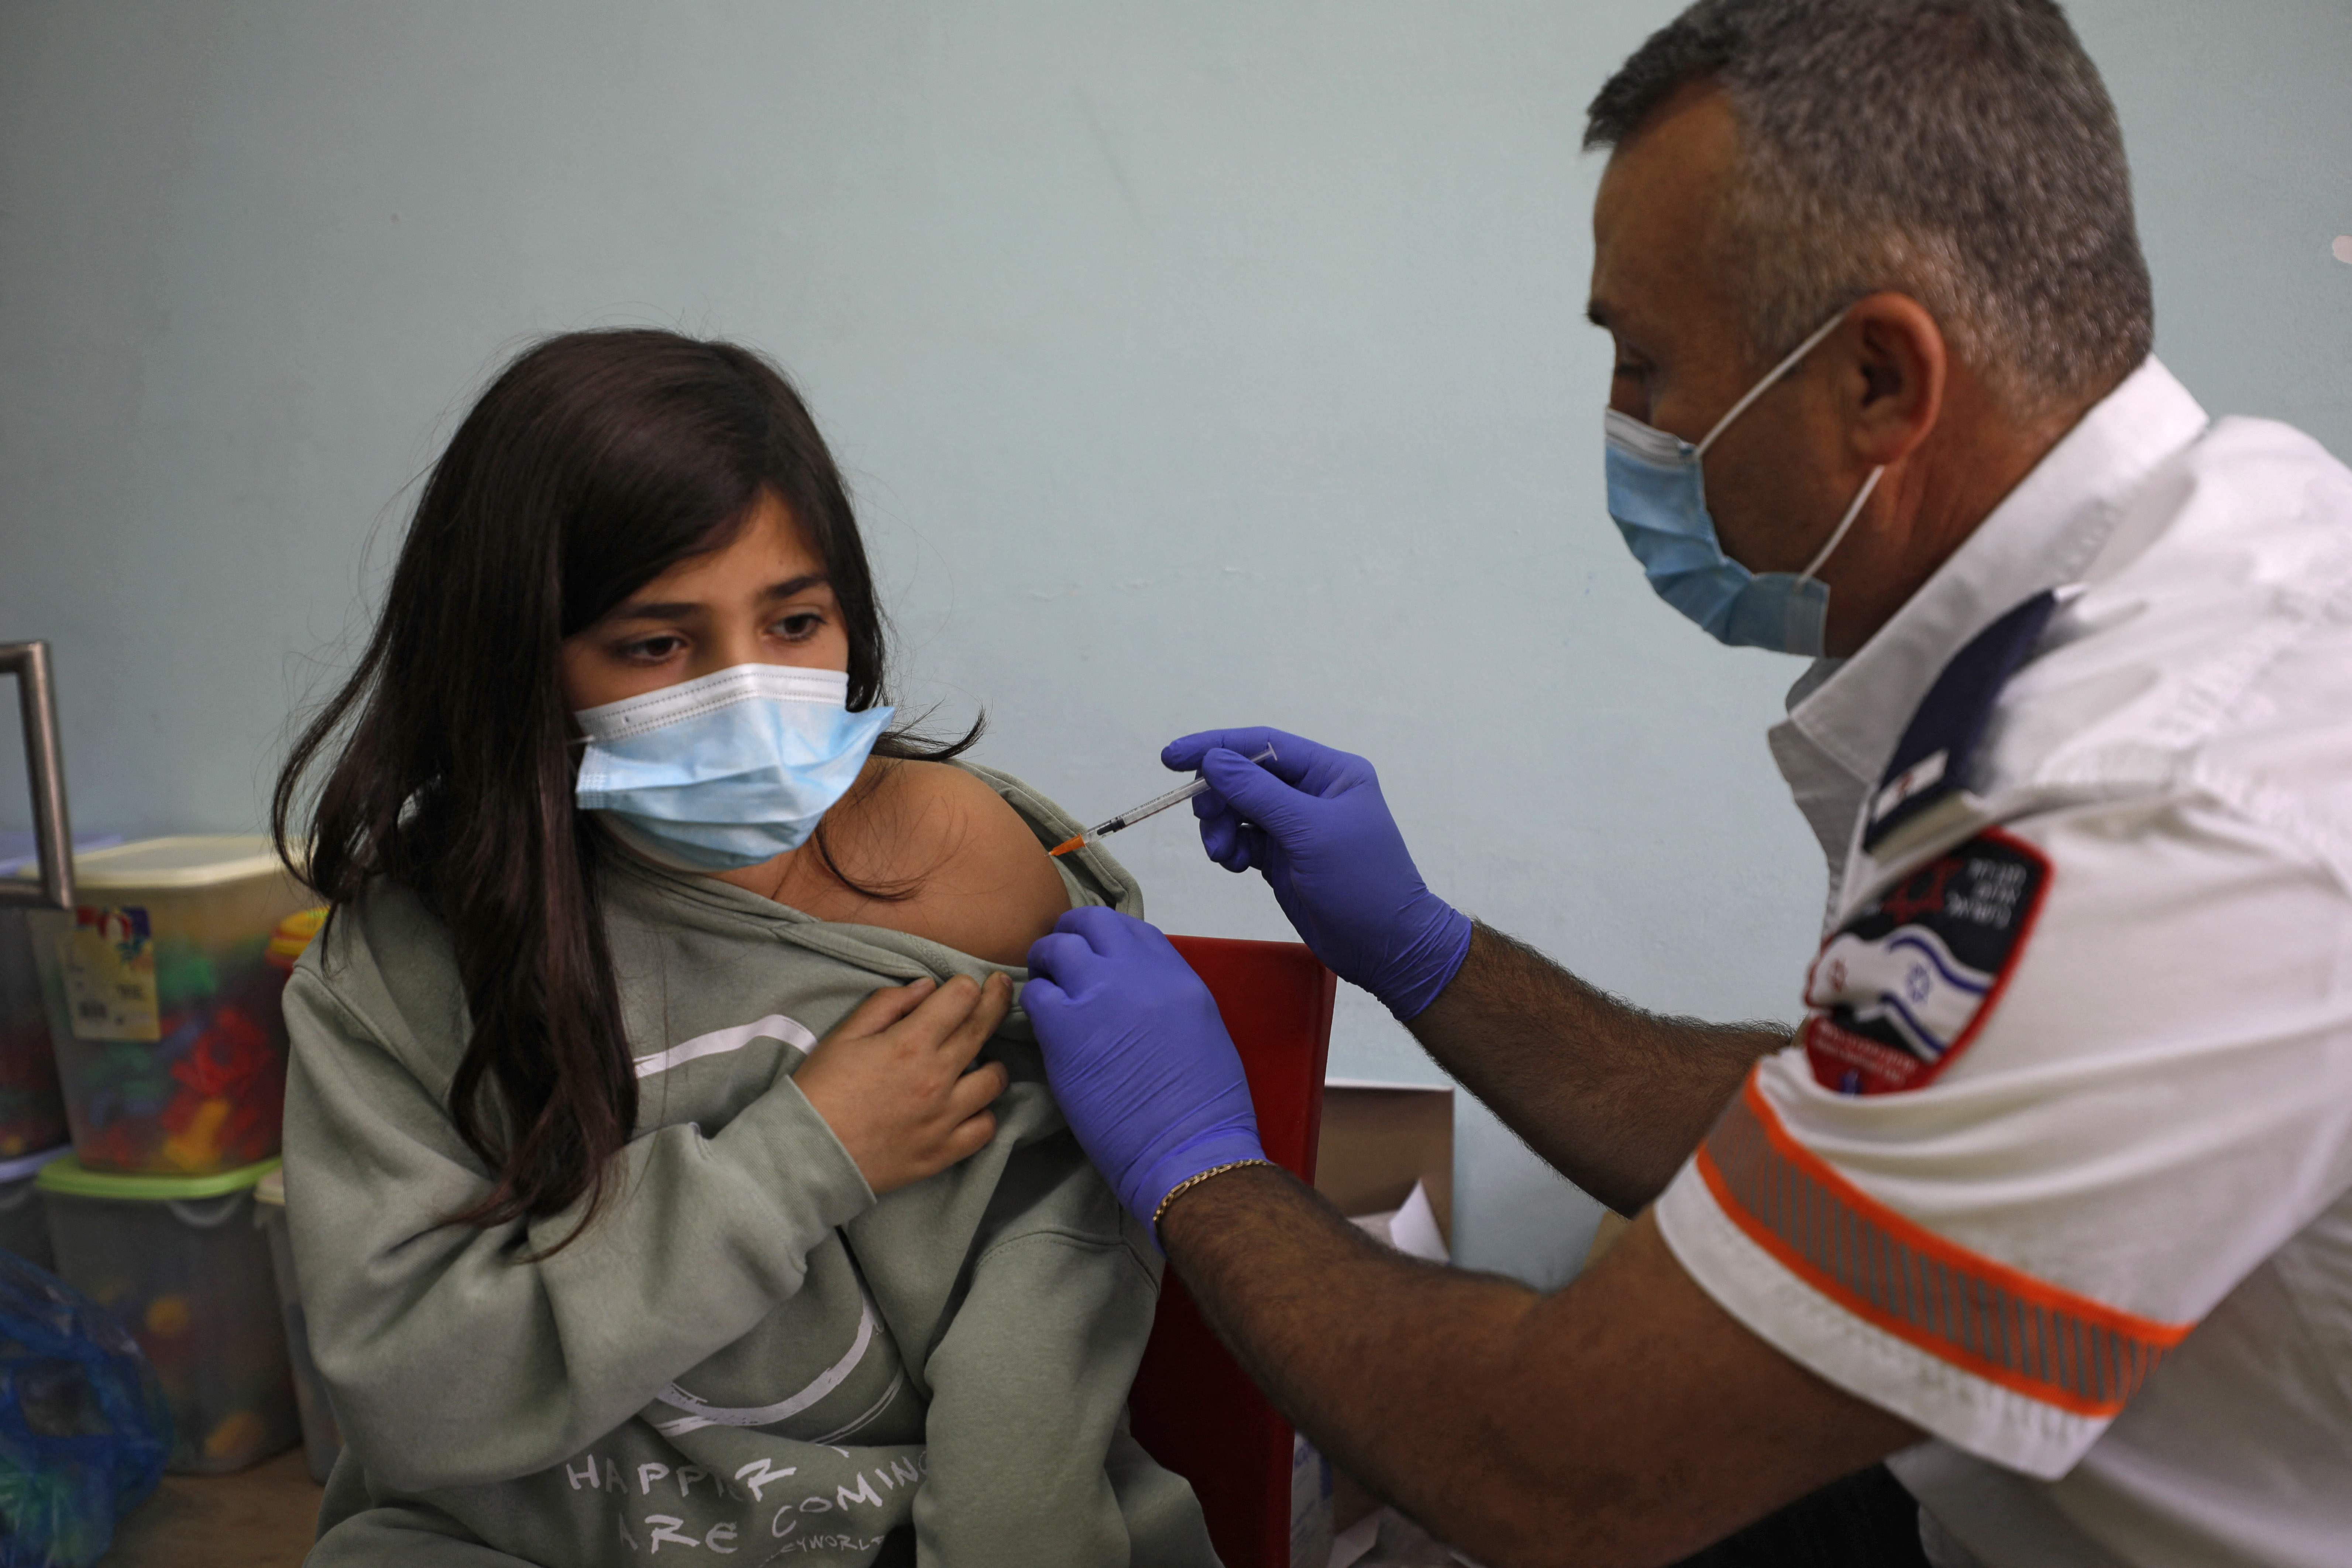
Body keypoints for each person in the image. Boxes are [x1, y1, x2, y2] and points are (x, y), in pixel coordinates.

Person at [1020, 4, 2352, 1566]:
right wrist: (1421, 953)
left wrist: (1202, 1166)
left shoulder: (2161, 805)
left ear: (1879, 378)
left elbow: (1568, 1469)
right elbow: (1854, 1137)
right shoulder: (2204, 549)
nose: (1631, 430)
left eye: (1647, 365)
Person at [272, 330, 1217, 1566]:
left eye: (796, 620)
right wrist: (800, 1159)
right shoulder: (403, 963)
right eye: (655, 645)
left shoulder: (954, 867)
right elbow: (415, 1401)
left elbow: (1043, 1319)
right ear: (511, 658)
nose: (750, 694)